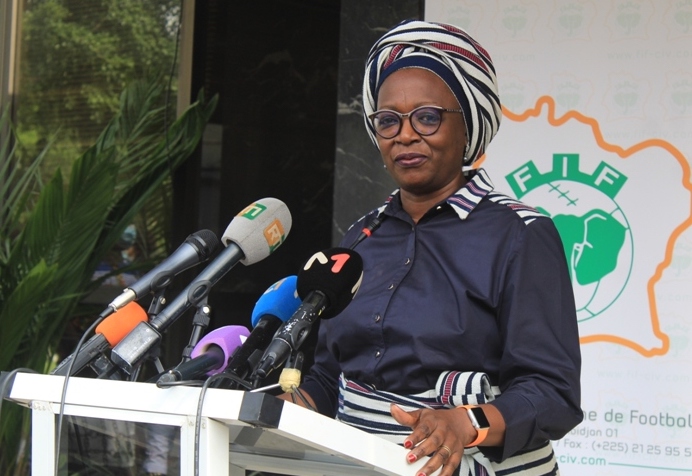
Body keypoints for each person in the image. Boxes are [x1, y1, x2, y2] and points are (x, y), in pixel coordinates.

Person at [281, 19, 583, 476]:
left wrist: (465, 424)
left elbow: (552, 393)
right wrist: (290, 405)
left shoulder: (520, 234)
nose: (404, 135)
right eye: (388, 121)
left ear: (467, 127)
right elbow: (329, 375)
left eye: (427, 117)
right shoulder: (362, 236)